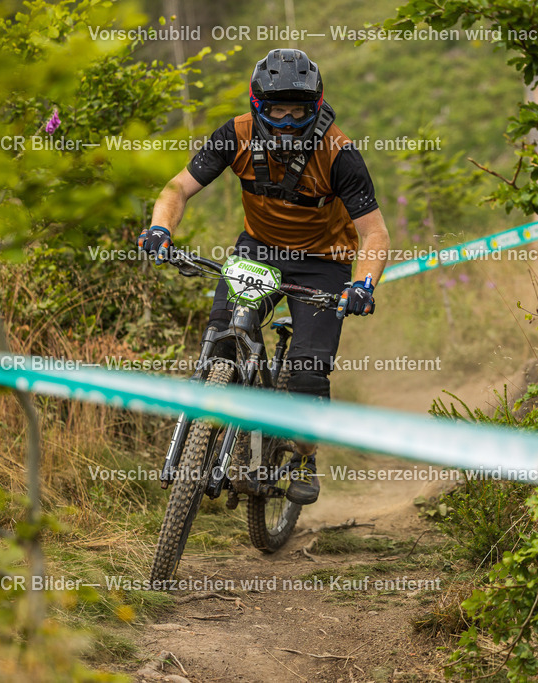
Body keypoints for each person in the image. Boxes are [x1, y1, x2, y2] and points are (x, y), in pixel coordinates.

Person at [139, 48, 390, 505]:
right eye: (278, 110)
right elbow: (177, 189)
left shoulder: (339, 154)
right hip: (259, 252)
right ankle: (217, 428)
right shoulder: (233, 135)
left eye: (299, 111)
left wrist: (363, 284)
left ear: (315, 107)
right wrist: (160, 228)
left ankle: (302, 457)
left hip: (324, 262)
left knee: (309, 372)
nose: (289, 121)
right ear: (259, 106)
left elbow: (374, 232)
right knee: (221, 336)